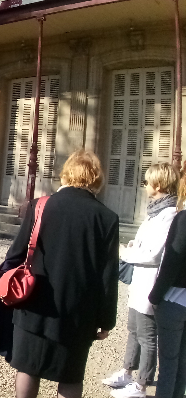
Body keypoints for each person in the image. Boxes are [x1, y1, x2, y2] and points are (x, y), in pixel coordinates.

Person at [3, 150, 119, 398]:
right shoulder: (107, 218)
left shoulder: (39, 206)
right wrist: (106, 320)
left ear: (67, 174)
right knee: (70, 376)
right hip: (77, 311)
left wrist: (4, 287)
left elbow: (16, 254)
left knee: (27, 369)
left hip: (34, 301)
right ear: (96, 179)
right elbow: (108, 277)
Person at [103, 163, 179, 398]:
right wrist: (133, 246)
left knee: (147, 335)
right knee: (133, 329)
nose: (144, 186)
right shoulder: (154, 211)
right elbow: (143, 243)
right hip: (139, 280)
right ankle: (127, 371)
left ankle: (142, 384)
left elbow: (154, 253)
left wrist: (126, 253)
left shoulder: (169, 214)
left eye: (147, 182)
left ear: (158, 184)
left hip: (150, 281)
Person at [148, 169, 186, 398]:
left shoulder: (183, 218)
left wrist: (155, 296)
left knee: (169, 365)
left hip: (175, 299)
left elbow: (172, 261)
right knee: (182, 365)